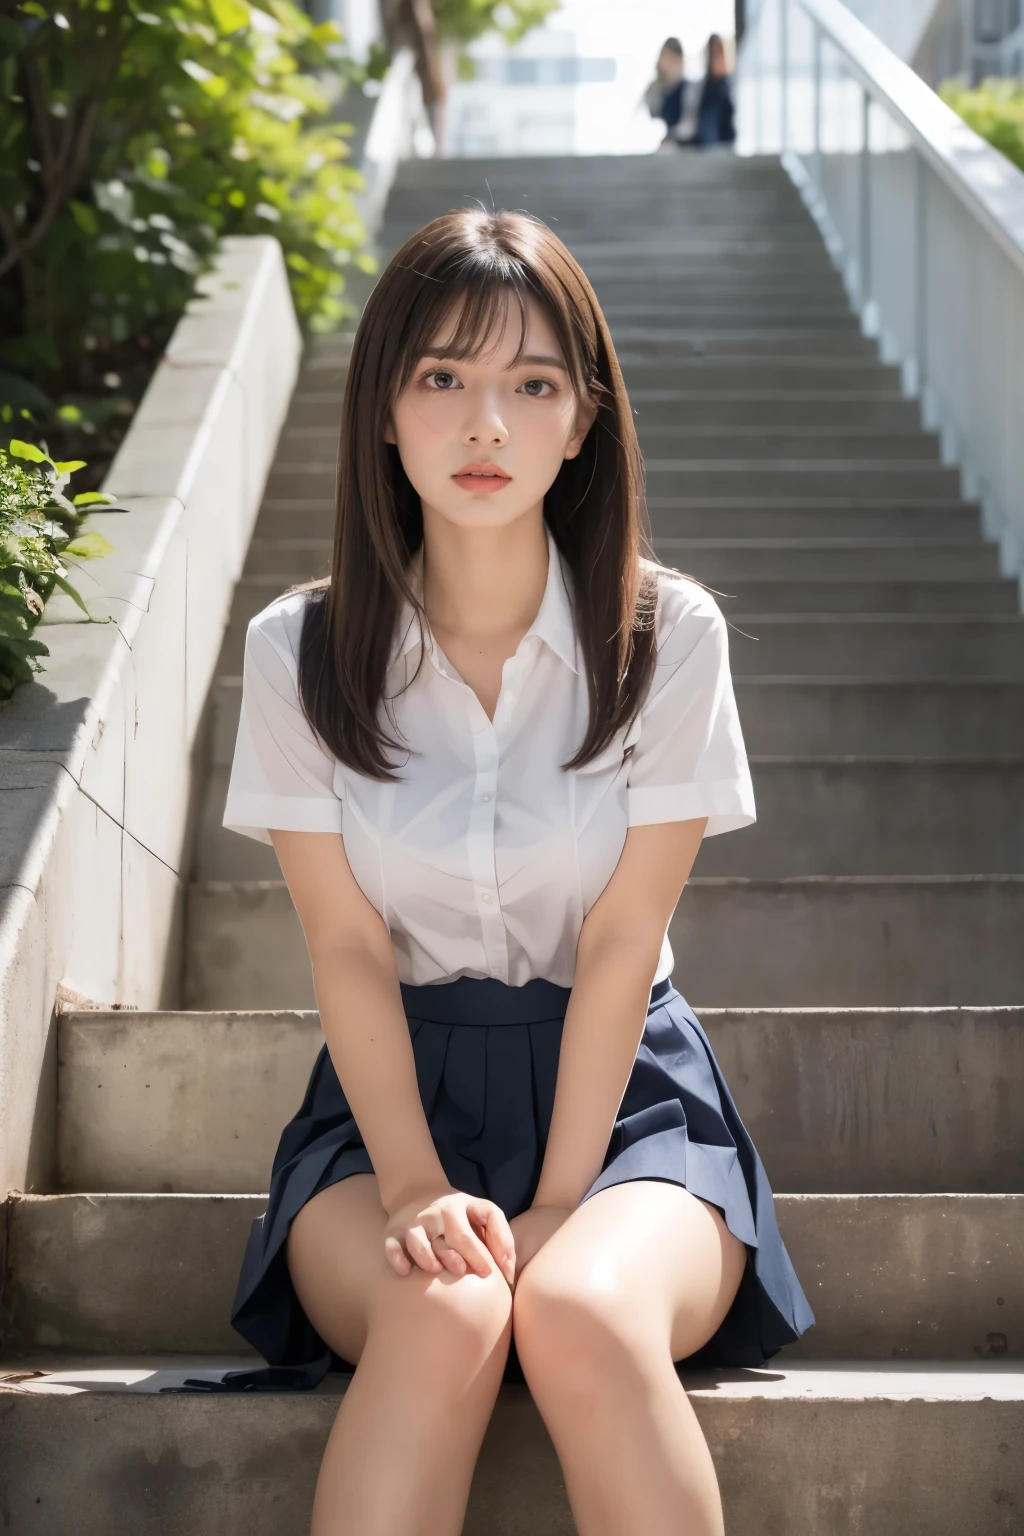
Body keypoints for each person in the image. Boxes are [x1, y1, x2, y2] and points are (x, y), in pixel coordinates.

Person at [215, 209, 814, 1534]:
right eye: (442, 377)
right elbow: (348, 950)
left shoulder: (669, 635)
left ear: (581, 418)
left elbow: (620, 940)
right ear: (383, 406)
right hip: (392, 1106)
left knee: (580, 1309)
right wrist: (421, 1185)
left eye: (531, 384)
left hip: (632, 1111)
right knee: (447, 1311)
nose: (486, 423)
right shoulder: (297, 650)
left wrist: (556, 1203)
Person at [687, 33, 737, 147]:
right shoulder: (701, 90)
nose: (718, 59)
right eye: (714, 54)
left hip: (726, 151)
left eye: (720, 53)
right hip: (704, 151)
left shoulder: (731, 88)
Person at [643, 36, 689, 147]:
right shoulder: (653, 89)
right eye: (665, 57)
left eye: (672, 59)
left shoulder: (687, 89)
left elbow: (689, 126)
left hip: (679, 149)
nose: (667, 63)